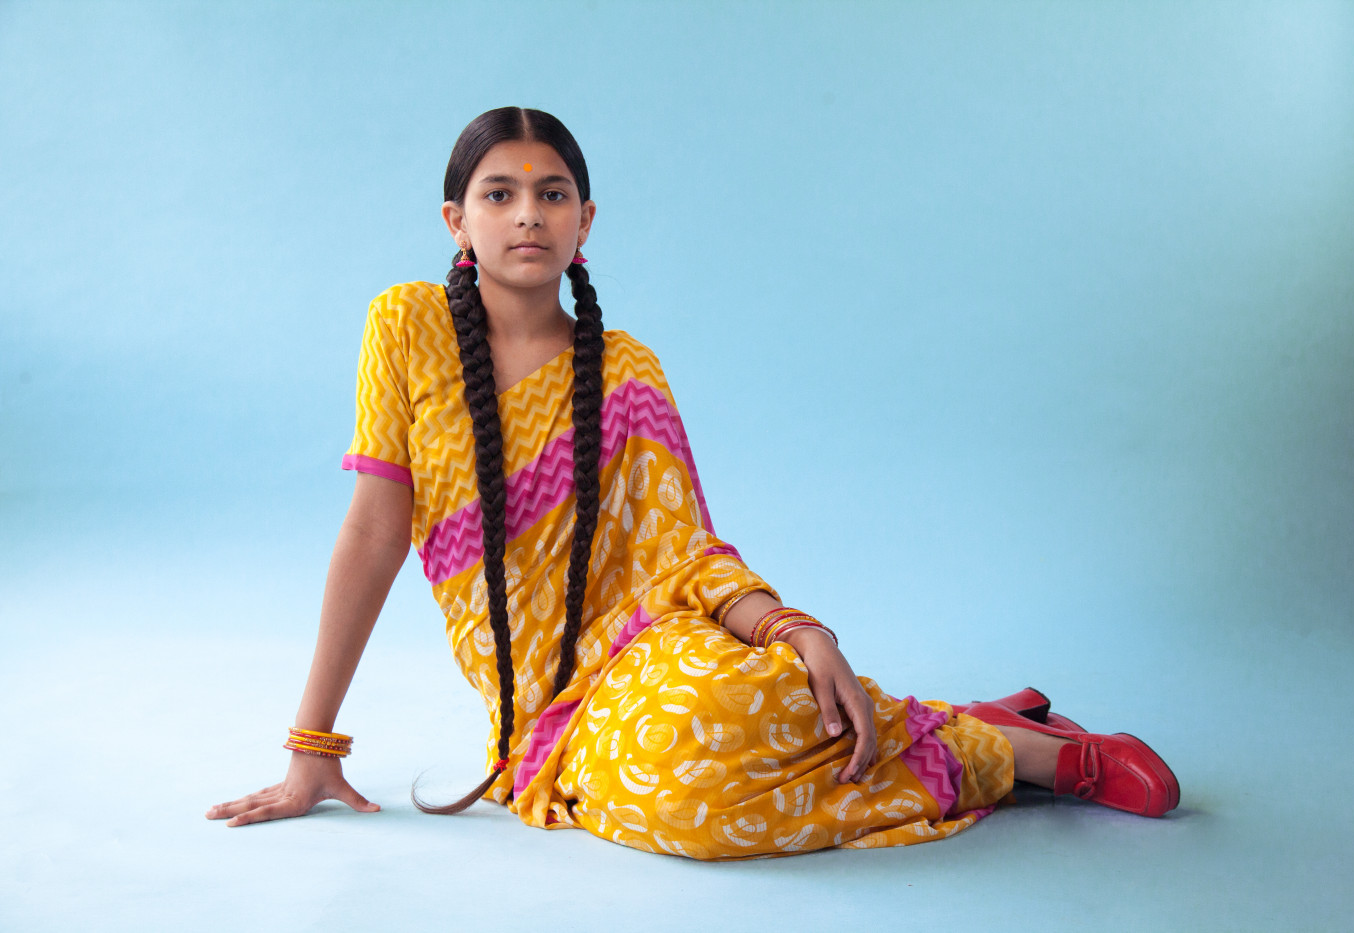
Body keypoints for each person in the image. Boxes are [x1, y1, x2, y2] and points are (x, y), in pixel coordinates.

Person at [205, 106, 1178, 859]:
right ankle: (972, 737)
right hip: (546, 706)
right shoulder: (406, 327)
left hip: (651, 647)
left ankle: (1020, 756)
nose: (526, 214)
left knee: (740, 707)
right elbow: (375, 534)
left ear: (585, 220)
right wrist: (311, 748)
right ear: (456, 219)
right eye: (498, 194)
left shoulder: (622, 368)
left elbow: (682, 555)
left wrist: (797, 630)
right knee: (686, 806)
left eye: (551, 194)